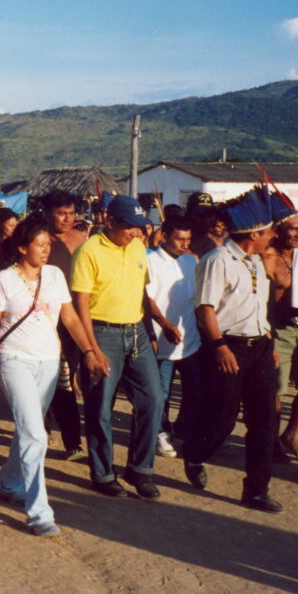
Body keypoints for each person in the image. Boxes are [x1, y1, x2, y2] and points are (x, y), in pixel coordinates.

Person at [0, 218, 98, 537]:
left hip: (48, 361)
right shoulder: (4, 279)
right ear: (22, 247)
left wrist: (89, 350)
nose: (47, 250)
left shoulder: (56, 275)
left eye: (49, 245)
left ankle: (8, 479)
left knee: (27, 430)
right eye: (41, 245)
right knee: (36, 433)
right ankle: (39, 512)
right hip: (14, 360)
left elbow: (70, 317)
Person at [182, 186, 283, 513]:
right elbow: (205, 309)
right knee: (223, 420)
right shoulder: (217, 260)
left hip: (260, 348)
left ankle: (256, 490)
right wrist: (221, 347)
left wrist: (269, 336)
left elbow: (258, 305)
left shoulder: (255, 261)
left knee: (265, 420)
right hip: (228, 347)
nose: (273, 236)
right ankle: (195, 455)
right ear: (254, 233)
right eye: (269, 231)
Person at [71, 195, 177, 499]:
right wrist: (92, 349)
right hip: (103, 334)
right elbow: (81, 306)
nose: (136, 232)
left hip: (137, 334)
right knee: (100, 408)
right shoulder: (88, 252)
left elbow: (141, 292)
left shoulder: (137, 249)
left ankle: (140, 470)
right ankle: (103, 474)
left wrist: (159, 325)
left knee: (153, 400)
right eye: (130, 226)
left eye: (139, 227)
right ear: (110, 221)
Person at [261, 197, 298, 463]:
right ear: (277, 231)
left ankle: (290, 435)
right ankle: (272, 441)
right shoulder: (267, 257)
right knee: (276, 390)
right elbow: (259, 298)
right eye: (292, 228)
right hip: (278, 330)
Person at [146, 215, 202, 458]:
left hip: (191, 340)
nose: (185, 244)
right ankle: (160, 434)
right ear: (164, 236)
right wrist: (164, 325)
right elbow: (146, 298)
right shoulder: (149, 261)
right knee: (162, 393)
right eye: (180, 239)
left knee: (195, 390)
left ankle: (181, 429)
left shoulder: (191, 261)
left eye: (188, 239)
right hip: (163, 339)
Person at [42, 190, 88, 460]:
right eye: (61, 213)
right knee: (53, 378)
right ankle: (56, 432)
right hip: (45, 319)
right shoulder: (39, 240)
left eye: (71, 213)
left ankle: (70, 436)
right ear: (47, 214)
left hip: (75, 317)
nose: (67, 219)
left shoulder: (81, 238)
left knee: (67, 378)